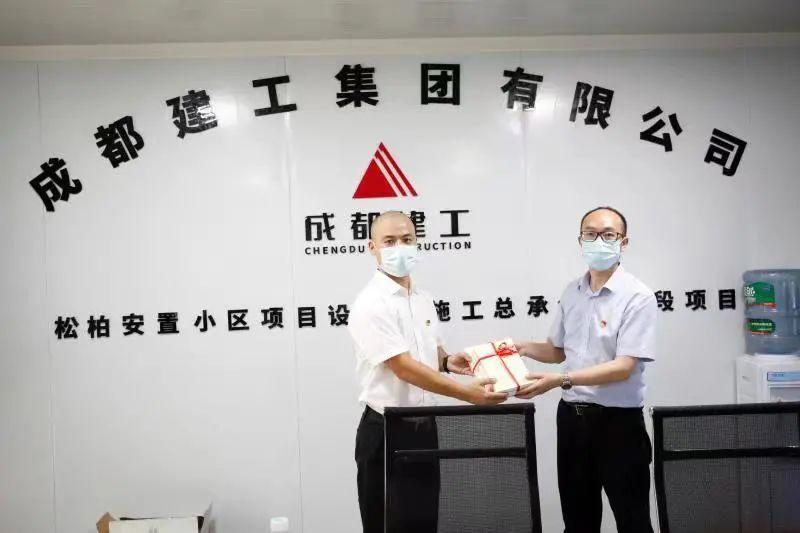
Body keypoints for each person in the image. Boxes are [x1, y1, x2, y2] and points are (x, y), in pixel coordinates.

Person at [348, 210, 507, 533]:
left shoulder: (422, 298)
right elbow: (403, 367)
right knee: (386, 525)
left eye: (407, 239)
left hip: (425, 429)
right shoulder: (371, 303)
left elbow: (429, 350)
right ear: (372, 248)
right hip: (385, 429)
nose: (399, 247)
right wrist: (467, 394)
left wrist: (447, 362)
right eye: (389, 241)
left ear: (417, 243)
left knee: (424, 522)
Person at [515, 206, 657, 533]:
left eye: (608, 235)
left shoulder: (638, 296)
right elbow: (557, 351)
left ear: (624, 242)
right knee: (578, 522)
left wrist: (561, 379)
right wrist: (519, 346)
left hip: (618, 423)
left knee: (633, 521)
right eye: (590, 234)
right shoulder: (572, 291)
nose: (598, 241)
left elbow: (623, 367)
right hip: (572, 420)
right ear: (580, 240)